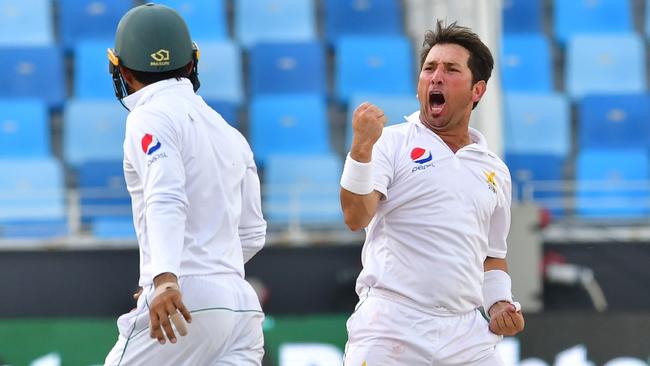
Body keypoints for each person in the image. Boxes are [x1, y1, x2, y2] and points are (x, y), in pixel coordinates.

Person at [340, 20, 525, 365]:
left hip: (467, 335)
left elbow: (492, 256)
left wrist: (499, 302)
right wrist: (361, 151)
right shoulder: (390, 143)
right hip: (392, 325)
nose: (436, 77)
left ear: (477, 90)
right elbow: (355, 216)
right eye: (429, 68)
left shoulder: (495, 170)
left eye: (451, 69)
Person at [103, 4, 266, 365]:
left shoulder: (147, 117)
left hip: (186, 301)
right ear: (192, 63)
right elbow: (253, 233)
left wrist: (167, 279)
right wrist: (209, 273)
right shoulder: (229, 132)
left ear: (122, 72)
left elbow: (166, 196)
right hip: (240, 307)